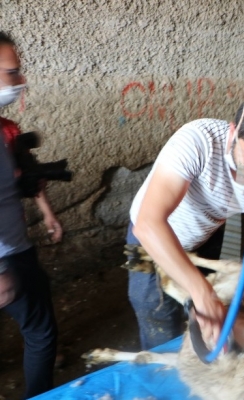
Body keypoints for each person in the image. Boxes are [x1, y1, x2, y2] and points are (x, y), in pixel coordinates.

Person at [128, 94, 244, 350]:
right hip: (154, 242)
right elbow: (149, 223)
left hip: (207, 237)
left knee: (216, 318)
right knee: (160, 319)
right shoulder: (197, 141)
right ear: (233, 132)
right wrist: (201, 291)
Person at [0, 31, 58, 399]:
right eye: (11, 72)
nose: (21, 81)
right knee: (41, 332)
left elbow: (25, 178)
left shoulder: (6, 130)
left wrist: (46, 211)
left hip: (13, 249)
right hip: (7, 257)